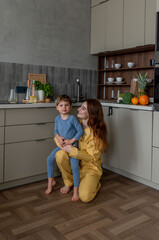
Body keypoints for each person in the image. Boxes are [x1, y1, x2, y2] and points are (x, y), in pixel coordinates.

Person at [55, 99, 108, 202]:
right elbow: (58, 137)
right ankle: (69, 182)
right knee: (60, 154)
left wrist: (73, 150)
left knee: (84, 197)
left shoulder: (97, 134)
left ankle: (93, 182)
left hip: (90, 168)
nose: (78, 109)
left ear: (91, 113)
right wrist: (60, 141)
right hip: (75, 164)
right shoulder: (74, 123)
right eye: (81, 107)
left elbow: (92, 158)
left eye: (83, 108)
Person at [45, 95, 83, 201]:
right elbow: (56, 131)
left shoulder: (72, 118)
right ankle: (50, 183)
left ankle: (75, 192)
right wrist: (58, 137)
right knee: (49, 159)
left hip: (72, 147)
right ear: (57, 107)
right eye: (61, 105)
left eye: (66, 105)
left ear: (70, 107)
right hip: (62, 146)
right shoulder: (57, 118)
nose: (64, 107)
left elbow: (80, 131)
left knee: (74, 167)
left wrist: (71, 141)